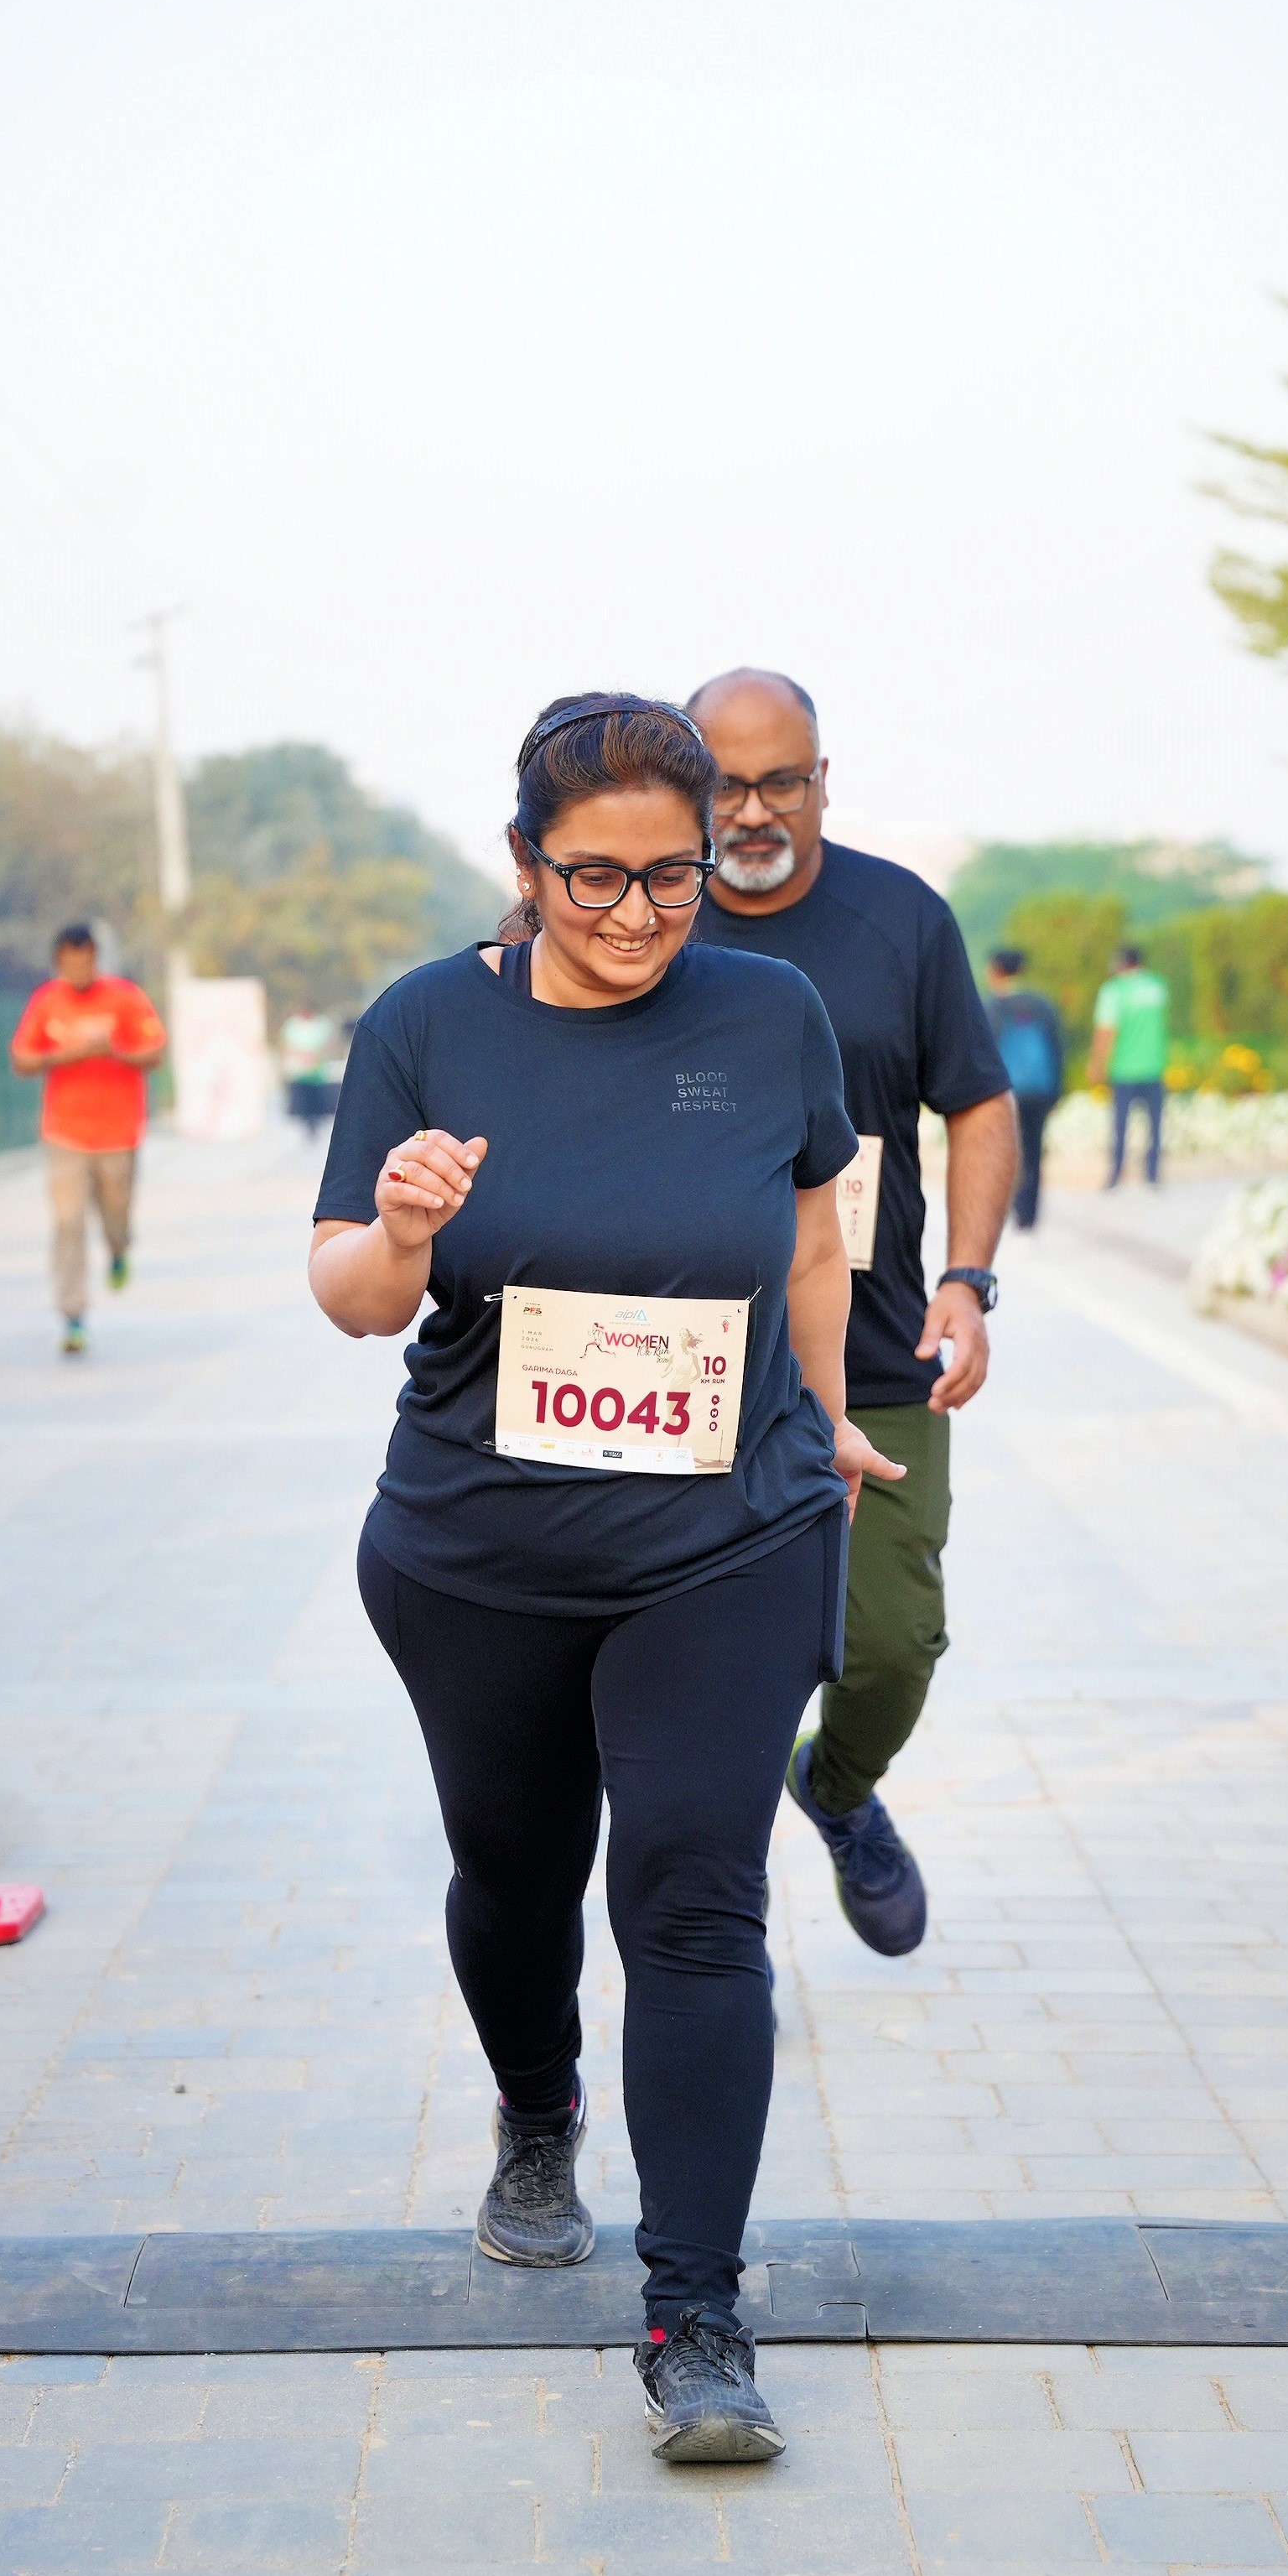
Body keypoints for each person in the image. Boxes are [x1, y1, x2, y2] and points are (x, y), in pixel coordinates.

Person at [309, 694, 901, 2465]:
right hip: (479, 1550)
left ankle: (695, 2314)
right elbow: (349, 1296)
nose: (637, 914)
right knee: (516, 1873)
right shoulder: (428, 1024)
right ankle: (536, 2105)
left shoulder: (768, 1012)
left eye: (672, 876)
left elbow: (811, 1234)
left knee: (697, 1897)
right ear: (525, 861)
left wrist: (827, 1416)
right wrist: (403, 1228)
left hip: (728, 1537)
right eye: (593, 878)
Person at [688, 669, 1014, 1959]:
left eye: (781, 782)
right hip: (691, 1367)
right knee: (698, 1678)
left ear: (823, 781)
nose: (752, 812)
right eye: (725, 785)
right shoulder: (650, 921)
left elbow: (978, 1101)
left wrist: (967, 1281)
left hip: (877, 1358)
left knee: (889, 1647)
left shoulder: (902, 920)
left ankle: (835, 1788)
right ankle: (709, 1943)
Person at [9, 925, 167, 1356]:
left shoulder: (125, 998)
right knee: (68, 1222)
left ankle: (118, 1250)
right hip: (65, 1134)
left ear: (95, 959)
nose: (78, 971)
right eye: (69, 964)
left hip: (118, 1133)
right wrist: (67, 1055)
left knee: (116, 1214)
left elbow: (155, 1053)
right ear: (58, 963)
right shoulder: (47, 1002)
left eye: (85, 962)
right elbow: (21, 1059)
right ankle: (73, 1315)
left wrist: (113, 1052)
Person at [984, 947, 1064, 1231]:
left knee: (1002, 1151)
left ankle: (1004, 1209)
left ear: (996, 970)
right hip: (1039, 1091)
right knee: (1033, 1151)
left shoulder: (992, 1007)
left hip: (1005, 1092)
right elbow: (1057, 1050)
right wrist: (1055, 1092)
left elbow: (984, 1054)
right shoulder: (1043, 1005)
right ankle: (1028, 1215)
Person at [1089, 942, 1170, 1188]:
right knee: (1155, 1125)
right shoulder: (1157, 987)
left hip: (1123, 1067)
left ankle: (1116, 1174)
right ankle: (1152, 1174)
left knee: (1120, 1125)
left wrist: (1097, 1063)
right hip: (1154, 1064)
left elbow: (1106, 1030)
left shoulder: (1114, 991)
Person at [279, 1005, 340, 1135]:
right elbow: (286, 1046)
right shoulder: (292, 1025)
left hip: (318, 1073)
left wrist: (316, 1057)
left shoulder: (322, 1025)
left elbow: (329, 1045)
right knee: (303, 1106)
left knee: (316, 1104)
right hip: (299, 1073)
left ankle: (314, 1126)